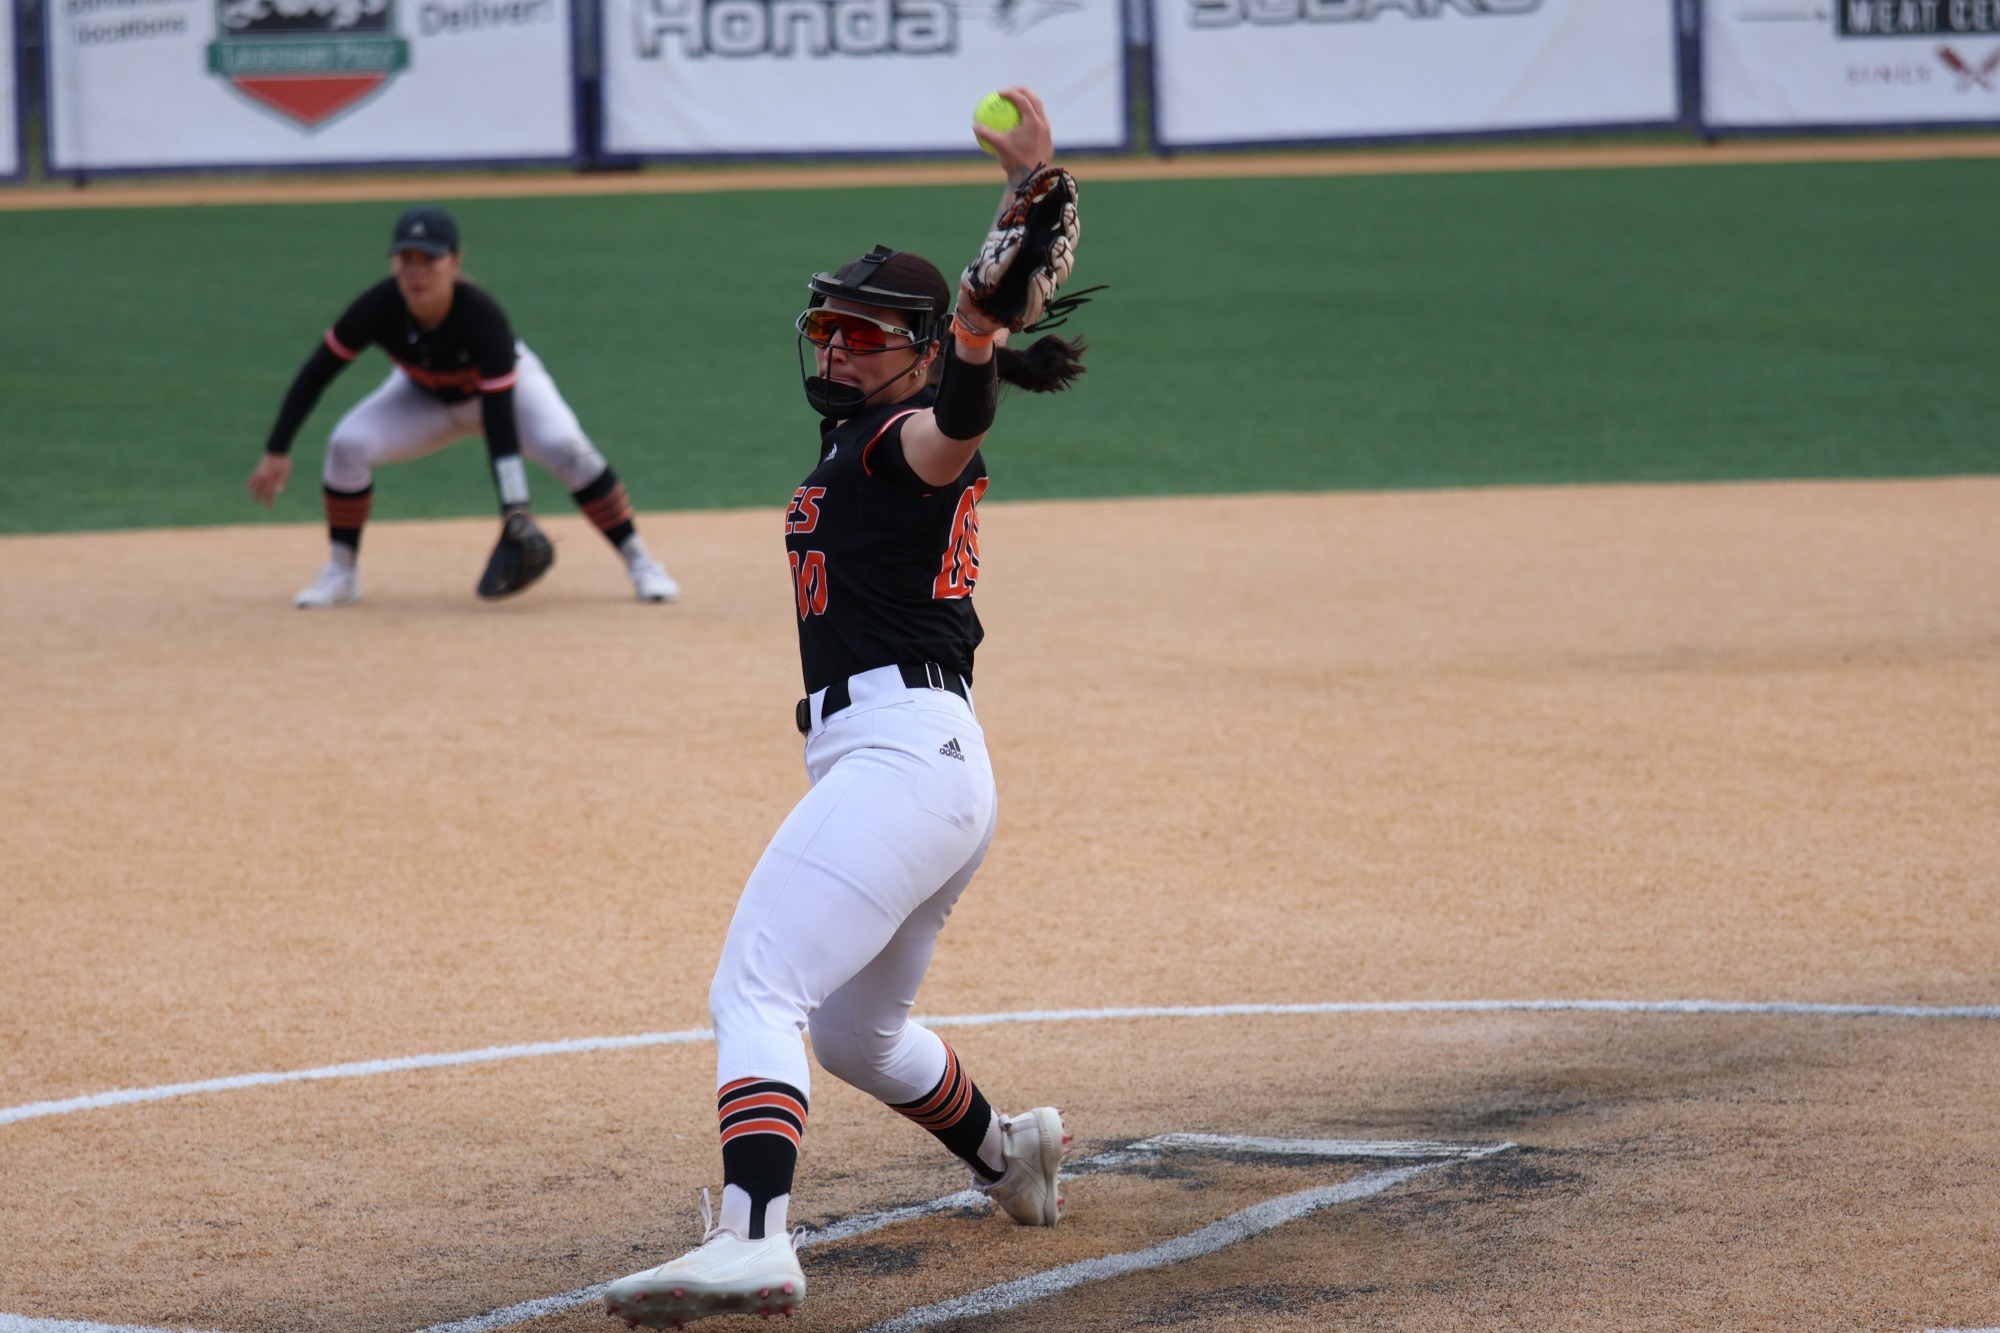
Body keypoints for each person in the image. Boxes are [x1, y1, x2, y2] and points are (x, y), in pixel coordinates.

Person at [600, 88, 1088, 1329]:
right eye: (826, 326)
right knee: (859, 1032)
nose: (835, 349)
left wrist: (973, 343)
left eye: (865, 336)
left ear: (920, 352)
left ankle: (750, 1236)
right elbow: (951, 377)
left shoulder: (903, 442)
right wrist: (994, 257)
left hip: (901, 759)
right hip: (921, 765)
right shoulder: (865, 434)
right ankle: (1005, 1150)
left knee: (755, 985)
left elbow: (957, 423)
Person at [246, 206, 678, 607]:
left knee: (568, 449)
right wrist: (277, 448)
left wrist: (514, 506)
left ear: (454, 261)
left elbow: (498, 413)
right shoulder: (378, 307)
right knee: (346, 445)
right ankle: (341, 573)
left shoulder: (482, 317)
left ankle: (641, 561)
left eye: (428, 260)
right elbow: (317, 370)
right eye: (405, 260)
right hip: (422, 398)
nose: (417, 273)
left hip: (508, 393)